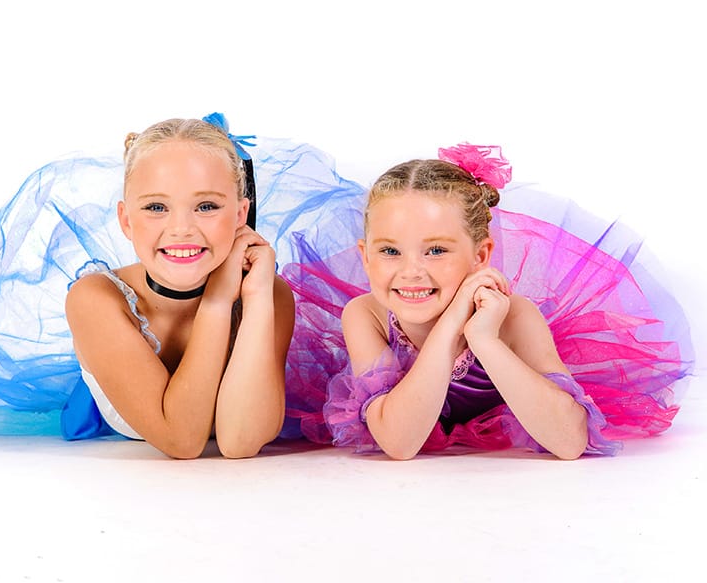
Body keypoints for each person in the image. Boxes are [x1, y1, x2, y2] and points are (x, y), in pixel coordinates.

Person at [315, 144, 692, 459]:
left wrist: (484, 339)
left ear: (480, 257)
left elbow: (569, 442)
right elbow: (399, 443)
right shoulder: (366, 316)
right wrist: (450, 326)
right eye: (390, 251)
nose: (412, 271)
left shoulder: (514, 318)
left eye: (435, 250)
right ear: (365, 256)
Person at [62, 117, 295, 458]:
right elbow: (182, 440)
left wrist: (257, 298)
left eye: (207, 206)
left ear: (241, 214)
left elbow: (240, 442)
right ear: (126, 220)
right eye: (157, 207)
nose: (181, 229)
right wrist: (216, 302)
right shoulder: (95, 299)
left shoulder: (267, 292)